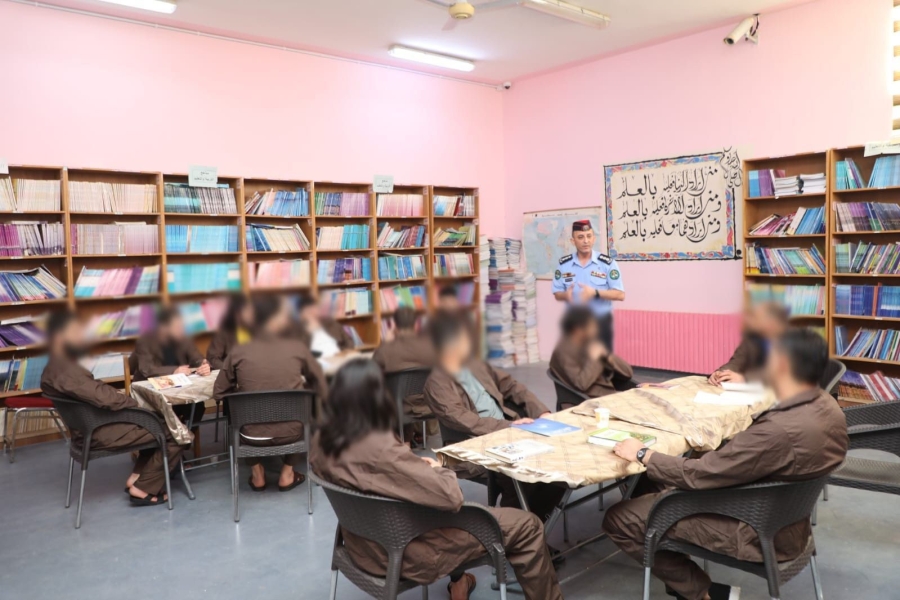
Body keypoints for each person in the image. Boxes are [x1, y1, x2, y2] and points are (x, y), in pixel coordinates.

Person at [603, 328, 849, 600]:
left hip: (754, 527)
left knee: (619, 518)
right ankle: (679, 571)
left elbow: (701, 474)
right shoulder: (828, 406)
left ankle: (703, 592)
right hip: (788, 520)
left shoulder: (777, 431)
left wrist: (643, 454)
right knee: (650, 480)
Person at [311, 359, 564, 600]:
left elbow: (382, 477)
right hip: (405, 551)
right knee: (528, 525)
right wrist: (436, 469)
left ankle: (460, 581)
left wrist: (414, 467)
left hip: (361, 546)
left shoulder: (321, 442)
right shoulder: (381, 446)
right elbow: (451, 496)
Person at [424, 312, 565, 522]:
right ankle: (515, 527)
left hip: (510, 431)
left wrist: (541, 412)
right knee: (521, 472)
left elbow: (512, 386)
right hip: (476, 443)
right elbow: (465, 420)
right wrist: (510, 426)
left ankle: (535, 522)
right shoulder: (437, 383)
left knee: (557, 462)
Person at [41, 311, 186, 506]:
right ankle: (143, 489)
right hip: (99, 432)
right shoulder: (65, 370)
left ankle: (138, 477)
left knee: (160, 421)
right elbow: (105, 398)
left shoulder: (56, 366)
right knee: (175, 431)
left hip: (89, 429)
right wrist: (136, 404)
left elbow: (97, 393)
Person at [213, 295, 327, 492]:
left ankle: (257, 473)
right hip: (294, 433)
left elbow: (218, 392)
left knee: (236, 413)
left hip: (250, 435)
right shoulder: (297, 348)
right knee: (307, 409)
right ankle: (287, 472)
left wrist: (242, 391)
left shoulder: (238, 351)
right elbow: (321, 385)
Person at [129, 306, 211, 426]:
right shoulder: (145, 341)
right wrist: (174, 370)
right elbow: (147, 369)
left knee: (197, 406)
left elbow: (196, 358)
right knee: (166, 411)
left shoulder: (183, 338)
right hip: (152, 394)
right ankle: (172, 435)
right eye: (176, 327)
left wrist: (203, 364)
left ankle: (185, 434)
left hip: (178, 391)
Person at [552, 219, 624, 351]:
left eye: (589, 236)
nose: (586, 241)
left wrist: (595, 293)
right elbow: (557, 294)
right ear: (573, 241)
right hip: (575, 325)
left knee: (599, 362)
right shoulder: (564, 264)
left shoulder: (607, 264)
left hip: (600, 324)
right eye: (580, 237)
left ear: (594, 239)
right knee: (574, 362)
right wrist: (565, 296)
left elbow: (620, 295)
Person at [372, 306, 436, 443]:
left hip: (397, 406)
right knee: (403, 395)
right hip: (427, 403)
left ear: (394, 325)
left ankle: (400, 442)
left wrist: (384, 343)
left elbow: (371, 369)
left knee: (389, 391)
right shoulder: (429, 347)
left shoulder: (386, 350)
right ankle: (407, 440)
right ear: (416, 324)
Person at [549, 306, 635, 405]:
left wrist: (608, 356)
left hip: (609, 397)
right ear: (578, 330)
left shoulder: (589, 344)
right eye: (592, 326)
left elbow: (628, 373)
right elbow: (581, 384)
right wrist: (595, 358)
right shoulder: (563, 352)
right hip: (590, 402)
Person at [709, 302, 789, 386]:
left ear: (772, 322)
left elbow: (780, 376)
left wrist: (745, 379)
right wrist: (719, 374)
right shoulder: (750, 341)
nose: (750, 321)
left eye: (756, 317)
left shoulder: (789, 343)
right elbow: (736, 363)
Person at [206, 293, 253, 370]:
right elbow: (213, 358)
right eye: (246, 310)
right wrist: (230, 371)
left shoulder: (256, 330)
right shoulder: (224, 332)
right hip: (233, 373)